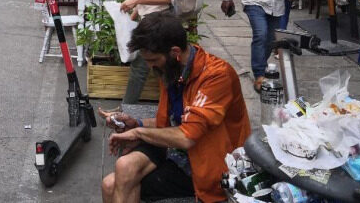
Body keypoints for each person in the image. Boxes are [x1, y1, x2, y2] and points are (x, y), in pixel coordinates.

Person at [100, 11, 251, 203]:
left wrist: (138, 133)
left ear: (175, 52)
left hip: (209, 161)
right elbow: (176, 122)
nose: (150, 66)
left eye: (153, 60)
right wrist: (136, 122)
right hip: (176, 151)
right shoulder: (172, 69)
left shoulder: (217, 76)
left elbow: (186, 136)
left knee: (113, 185)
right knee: (118, 173)